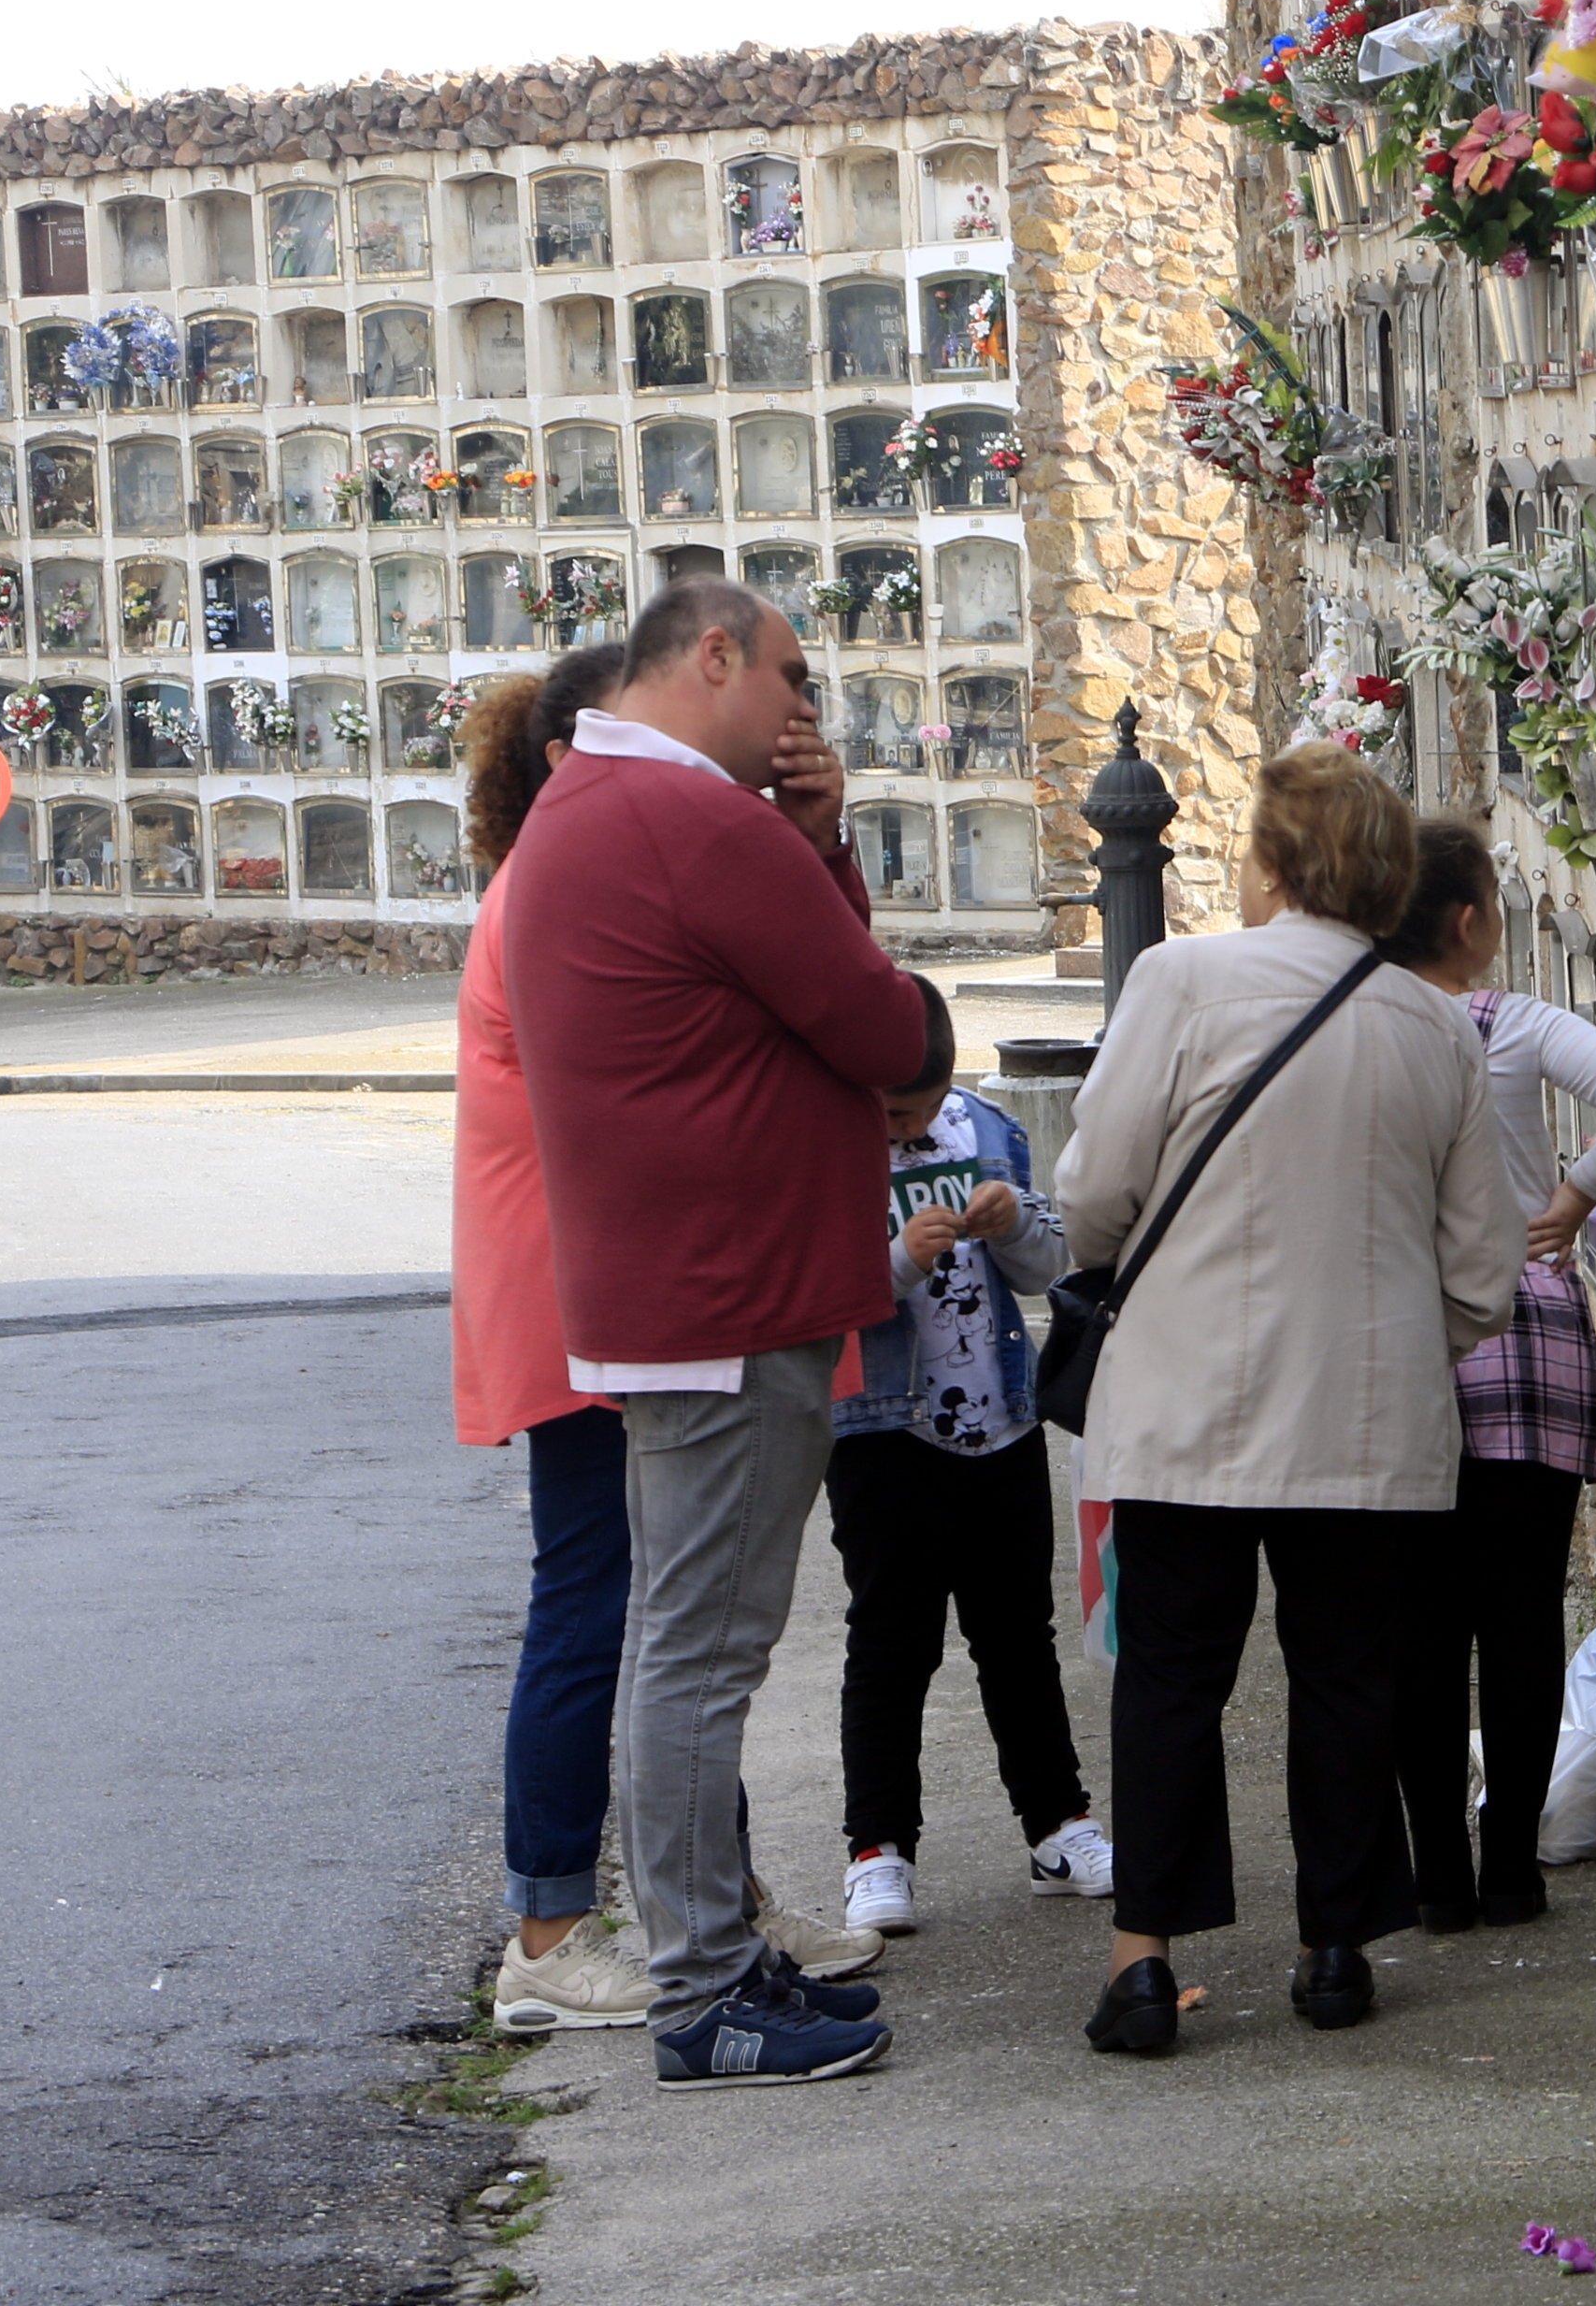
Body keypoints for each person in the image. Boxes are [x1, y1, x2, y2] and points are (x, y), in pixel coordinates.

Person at [499, 577, 925, 2091]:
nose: (807, 712)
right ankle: (700, 1989)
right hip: (726, 1296)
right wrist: (821, 852)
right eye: (792, 678)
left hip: (680, 1292)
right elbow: (885, 1028)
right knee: (699, 1653)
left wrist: (811, 847)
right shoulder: (687, 819)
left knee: (690, 1645)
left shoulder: (606, 804)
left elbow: (835, 1007)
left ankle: (713, 1965)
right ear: (712, 656)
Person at [1054, 743, 1519, 2058]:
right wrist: (1379, 1341)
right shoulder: (1435, 1026)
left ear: (1268, 862)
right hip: (1365, 1424)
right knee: (1347, 1677)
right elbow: (1481, 1271)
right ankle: (1333, 1949)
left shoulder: (1179, 980)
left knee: (1168, 1679)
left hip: (1184, 1401)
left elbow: (1093, 1191)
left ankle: (1144, 1959)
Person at [1376, 819, 1596, 1928]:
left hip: (1404, 1347)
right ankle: (1511, 1860)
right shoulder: (1511, 1026)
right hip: (1525, 1336)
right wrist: (1574, 1195)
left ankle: (1436, 1879)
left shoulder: (1361, 1032)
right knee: (1519, 1613)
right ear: (1467, 922)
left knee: (1417, 1624)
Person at [827, 978, 1117, 1938]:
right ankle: (878, 1846)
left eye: (914, 1111)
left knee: (1015, 1634)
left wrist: (1017, 1225)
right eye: (885, 1112)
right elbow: (821, 1294)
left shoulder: (986, 1128)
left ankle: (1057, 1824)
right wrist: (903, 1255)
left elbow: (1047, 1270)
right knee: (891, 1641)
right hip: (882, 1430)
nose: (900, 1129)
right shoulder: (826, 1141)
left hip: (999, 1422)